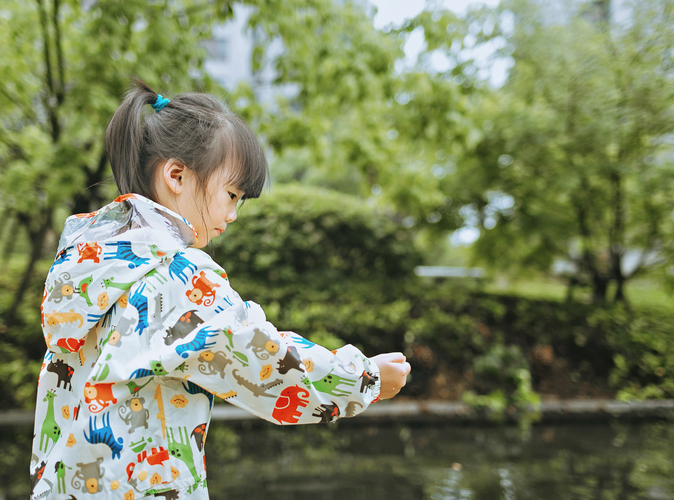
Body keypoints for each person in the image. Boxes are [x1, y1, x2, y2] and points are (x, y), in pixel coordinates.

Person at [29, 78, 411, 500]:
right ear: (176, 175)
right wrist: (366, 377)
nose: (231, 214)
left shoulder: (91, 261)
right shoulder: (174, 273)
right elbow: (260, 357)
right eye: (230, 194)